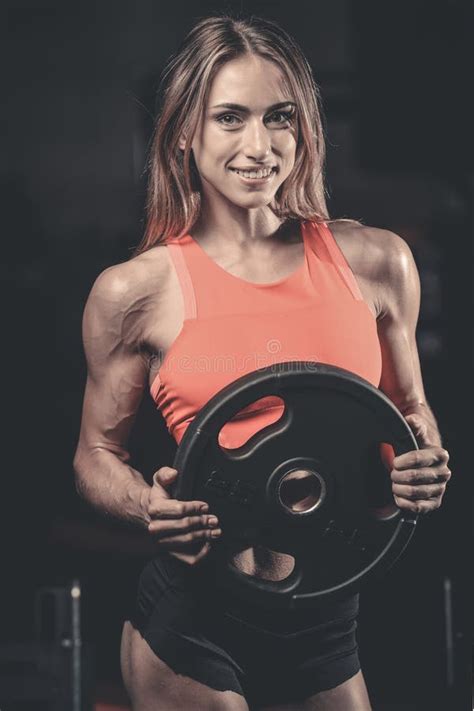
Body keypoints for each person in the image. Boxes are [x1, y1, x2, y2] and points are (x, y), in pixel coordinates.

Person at [73, 14, 451, 711]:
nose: (259, 145)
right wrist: (149, 506)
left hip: (327, 613)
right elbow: (94, 455)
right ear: (185, 133)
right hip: (196, 616)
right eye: (229, 118)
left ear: (304, 127)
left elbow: (409, 412)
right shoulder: (135, 292)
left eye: (279, 117)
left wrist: (422, 461)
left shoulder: (378, 264)